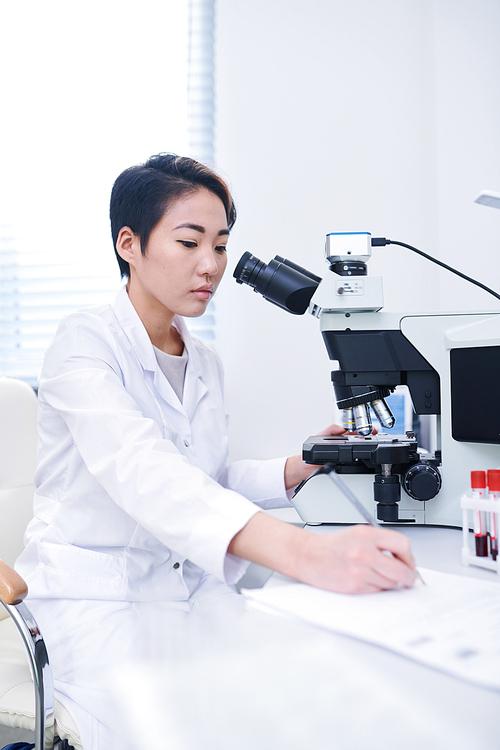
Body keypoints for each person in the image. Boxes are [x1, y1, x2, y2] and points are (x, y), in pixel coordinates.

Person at [16, 153, 416, 748]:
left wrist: (297, 466)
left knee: (310, 700)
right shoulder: (84, 343)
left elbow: (203, 477)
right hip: (98, 602)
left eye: (222, 246)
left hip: (190, 589)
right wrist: (304, 553)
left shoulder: (202, 360)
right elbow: (145, 473)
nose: (211, 265)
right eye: (189, 242)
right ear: (129, 243)